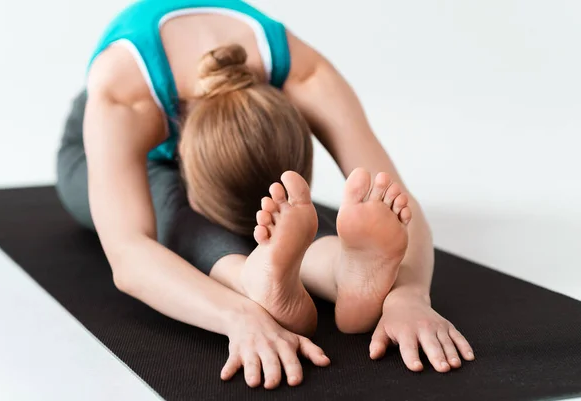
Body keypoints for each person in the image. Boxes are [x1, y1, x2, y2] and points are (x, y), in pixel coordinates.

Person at [56, 0, 474, 390]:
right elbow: (129, 254)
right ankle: (250, 277)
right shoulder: (123, 96)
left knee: (286, 211)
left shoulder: (299, 70)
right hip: (95, 152)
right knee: (172, 206)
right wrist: (238, 315)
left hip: (235, 149)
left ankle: (343, 271)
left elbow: (397, 202)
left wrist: (408, 295)